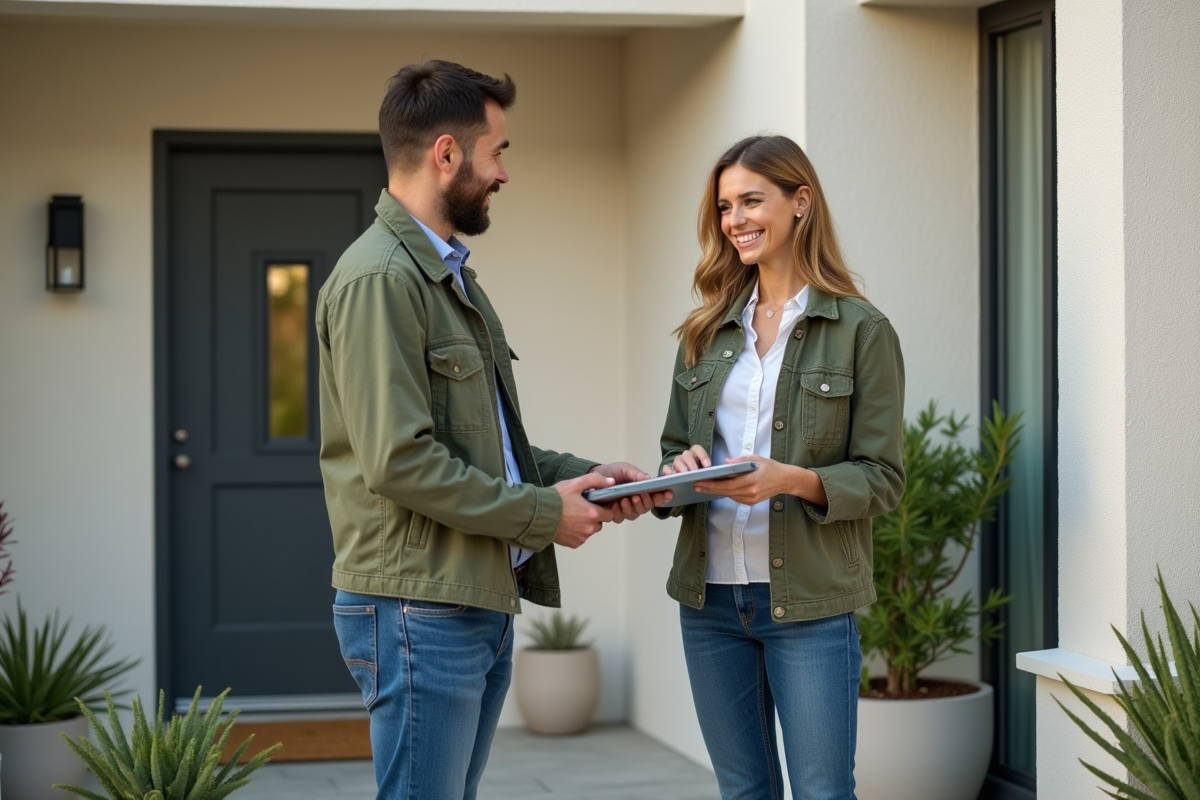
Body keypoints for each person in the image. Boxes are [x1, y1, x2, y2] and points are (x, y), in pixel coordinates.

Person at [316, 60, 660, 800]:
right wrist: (546, 516)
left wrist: (594, 477)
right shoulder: (382, 280)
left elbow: (489, 447)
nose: (503, 172)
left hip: (467, 599)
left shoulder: (450, 278)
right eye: (497, 151)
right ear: (447, 153)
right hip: (419, 608)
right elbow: (400, 462)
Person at [656, 135, 905, 800]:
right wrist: (679, 470)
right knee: (744, 792)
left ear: (801, 201)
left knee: (824, 792)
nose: (735, 219)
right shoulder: (704, 333)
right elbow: (673, 453)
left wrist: (788, 479)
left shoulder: (860, 330)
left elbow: (884, 477)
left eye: (751, 201)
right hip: (709, 601)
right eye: (725, 207)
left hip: (812, 605)